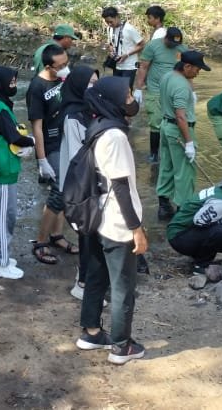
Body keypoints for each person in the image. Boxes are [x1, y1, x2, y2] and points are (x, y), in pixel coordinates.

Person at [75, 76, 149, 365]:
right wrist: (136, 229)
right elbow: (120, 186)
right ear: (113, 101)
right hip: (116, 221)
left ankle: (91, 332)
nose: (131, 100)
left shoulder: (97, 126)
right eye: (127, 95)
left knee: (97, 276)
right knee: (122, 286)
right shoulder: (115, 136)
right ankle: (121, 345)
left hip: (96, 216)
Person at [0, 65, 34, 280]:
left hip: (2, 168)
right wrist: (32, 141)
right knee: (5, 217)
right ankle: (1, 263)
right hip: (3, 169)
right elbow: (14, 137)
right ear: (0, 84)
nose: (14, 86)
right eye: (11, 83)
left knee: (0, 213)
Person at [28, 44, 78, 265]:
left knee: (66, 191)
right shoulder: (37, 87)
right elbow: (36, 127)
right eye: (62, 66)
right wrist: (41, 159)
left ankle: (57, 235)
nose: (66, 68)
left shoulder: (62, 79)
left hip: (67, 139)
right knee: (58, 191)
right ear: (49, 67)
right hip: (51, 144)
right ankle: (40, 242)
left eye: (67, 63)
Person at [57, 64, 99, 298]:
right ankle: (81, 283)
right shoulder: (73, 117)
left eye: (96, 82)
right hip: (80, 186)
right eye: (90, 83)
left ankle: (87, 279)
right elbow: (77, 157)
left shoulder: (89, 111)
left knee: (93, 236)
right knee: (87, 236)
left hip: (91, 184)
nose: (94, 87)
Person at [154, 49, 210, 221]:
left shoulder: (168, 76)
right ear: (187, 66)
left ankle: (164, 206)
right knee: (185, 172)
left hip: (165, 125)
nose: (198, 72)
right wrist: (189, 143)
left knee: (167, 166)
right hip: (179, 130)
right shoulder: (181, 86)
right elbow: (181, 116)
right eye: (196, 69)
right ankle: (183, 212)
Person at [132, 26, 187, 167]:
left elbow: (187, 70)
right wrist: (138, 88)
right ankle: (154, 154)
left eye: (177, 44)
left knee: (175, 122)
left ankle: (171, 153)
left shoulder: (181, 48)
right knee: (156, 122)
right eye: (171, 43)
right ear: (165, 38)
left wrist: (190, 90)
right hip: (155, 89)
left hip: (174, 91)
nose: (174, 46)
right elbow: (143, 67)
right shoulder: (153, 46)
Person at [101, 7, 143, 82]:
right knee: (117, 90)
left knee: (126, 91)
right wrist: (111, 49)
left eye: (111, 22)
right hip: (117, 65)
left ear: (117, 17)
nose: (109, 24)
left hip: (129, 66)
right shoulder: (109, 28)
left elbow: (142, 44)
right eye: (107, 22)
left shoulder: (129, 29)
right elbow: (111, 43)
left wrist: (127, 54)